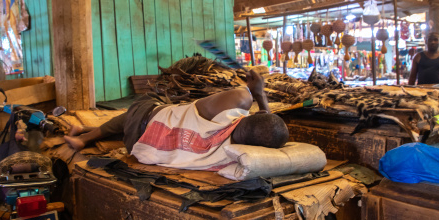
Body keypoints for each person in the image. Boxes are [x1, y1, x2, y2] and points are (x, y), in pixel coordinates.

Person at [65, 70, 290, 171]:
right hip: (143, 146)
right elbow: (264, 129)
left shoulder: (238, 101)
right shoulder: (237, 154)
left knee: (146, 109)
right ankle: (85, 129)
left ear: (255, 115)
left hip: (144, 129)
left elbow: (248, 103)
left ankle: (84, 138)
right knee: (141, 119)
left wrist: (258, 94)